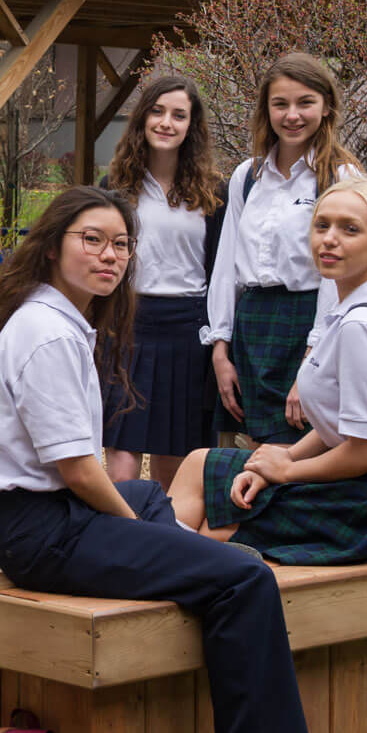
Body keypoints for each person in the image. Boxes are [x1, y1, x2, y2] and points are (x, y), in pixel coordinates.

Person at [0, 185, 314, 733]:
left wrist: (146, 525)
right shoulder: (46, 333)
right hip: (40, 531)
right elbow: (79, 471)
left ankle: (198, 567)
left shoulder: (59, 317)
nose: (109, 255)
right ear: (53, 246)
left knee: (152, 496)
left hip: (48, 516)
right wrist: (144, 536)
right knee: (244, 579)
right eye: (91, 240)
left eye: (120, 244)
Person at [169, 177, 367, 564]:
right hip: (365, 485)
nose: (329, 239)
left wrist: (286, 472)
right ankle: (161, 574)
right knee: (201, 464)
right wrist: (280, 461)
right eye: (322, 225)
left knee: (215, 528)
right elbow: (340, 423)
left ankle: (160, 579)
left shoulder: (363, 326)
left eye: (350, 229)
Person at [205, 53, 362, 445]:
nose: (292, 115)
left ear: (326, 107)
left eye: (305, 102)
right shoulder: (247, 176)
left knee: (299, 449)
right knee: (253, 448)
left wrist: (314, 360)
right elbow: (227, 265)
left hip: (308, 324)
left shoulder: (340, 177)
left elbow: (341, 277)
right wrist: (221, 348)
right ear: (267, 110)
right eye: (280, 104)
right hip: (251, 325)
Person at [99, 74, 227, 489]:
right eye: (157, 111)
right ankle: (121, 531)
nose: (166, 123)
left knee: (173, 470)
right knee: (121, 467)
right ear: (142, 118)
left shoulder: (213, 193)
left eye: (178, 115)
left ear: (192, 125)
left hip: (188, 333)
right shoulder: (115, 188)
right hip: (127, 326)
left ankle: (166, 531)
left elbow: (222, 271)